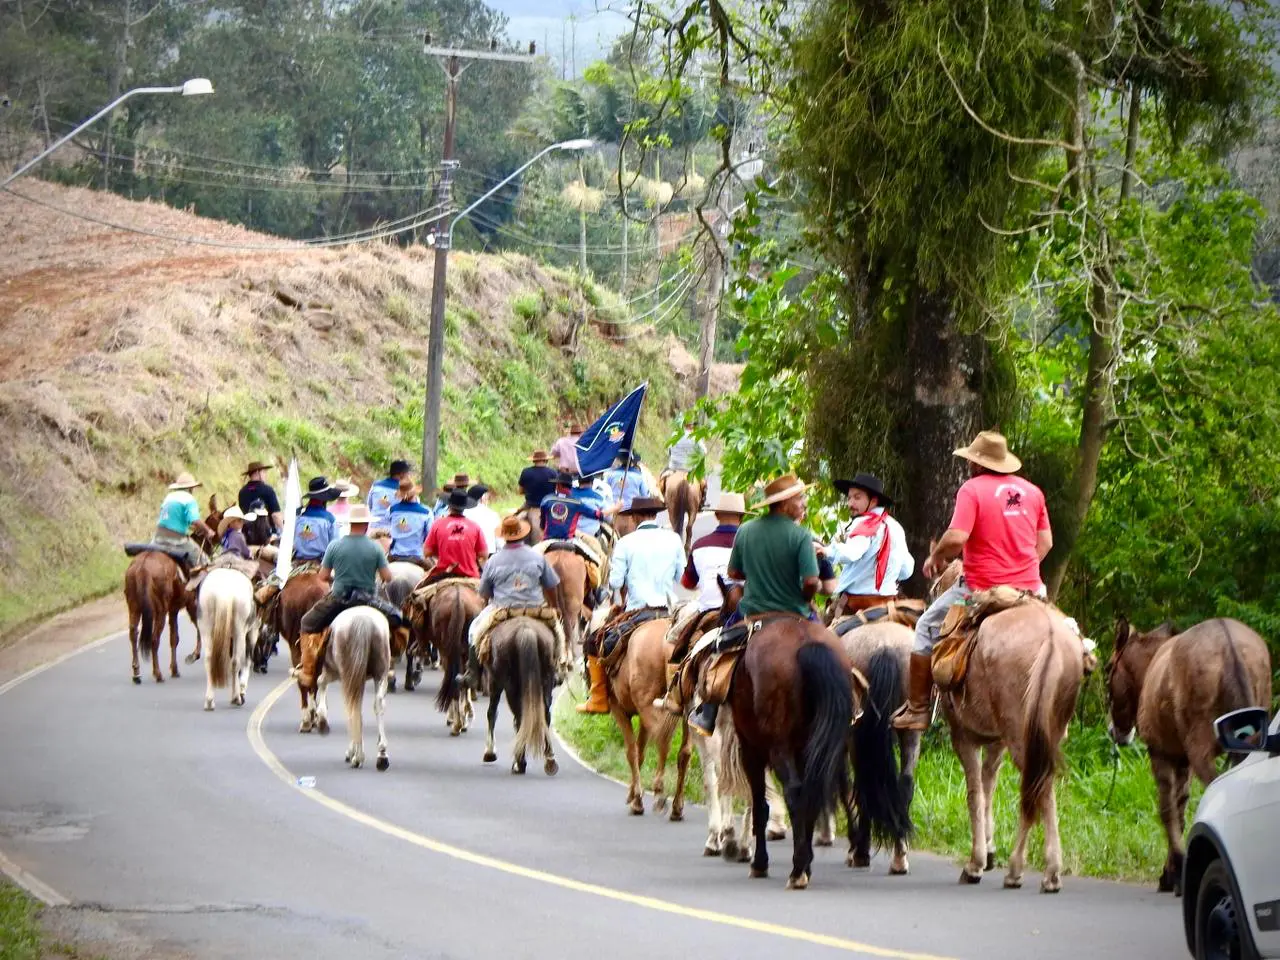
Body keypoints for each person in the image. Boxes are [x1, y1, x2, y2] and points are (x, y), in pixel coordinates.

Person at [893, 430, 1052, 731]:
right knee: (1063, 629)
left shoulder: (972, 489)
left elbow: (956, 538)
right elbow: (1045, 543)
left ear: (977, 464)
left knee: (926, 626)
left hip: (980, 588)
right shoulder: (1033, 492)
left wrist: (935, 556)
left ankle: (918, 708)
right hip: (1030, 588)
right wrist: (1019, 567)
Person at [687, 475, 819, 735]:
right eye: (799, 498)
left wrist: (758, 574)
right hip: (796, 615)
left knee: (722, 646)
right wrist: (804, 596)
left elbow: (734, 573)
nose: (803, 503)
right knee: (831, 644)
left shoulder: (746, 531)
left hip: (753, 615)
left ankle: (708, 711)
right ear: (783, 504)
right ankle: (850, 703)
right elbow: (812, 581)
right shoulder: (802, 536)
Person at [579, 496, 684, 714]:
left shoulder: (626, 542)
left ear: (635, 517)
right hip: (669, 610)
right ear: (655, 515)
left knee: (595, 641)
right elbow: (681, 576)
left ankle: (598, 698)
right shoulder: (673, 539)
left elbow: (616, 582)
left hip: (638, 610)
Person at [295, 503, 406, 685]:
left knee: (306, 622)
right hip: (369, 599)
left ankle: (307, 669)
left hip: (339, 597)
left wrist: (336, 577)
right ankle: (390, 662)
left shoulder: (335, 546)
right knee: (400, 621)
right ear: (366, 525)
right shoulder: (376, 547)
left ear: (350, 524)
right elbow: (388, 577)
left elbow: (323, 576)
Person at [464, 514, 562, 687]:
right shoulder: (537, 557)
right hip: (535, 608)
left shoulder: (493, 560)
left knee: (473, 631)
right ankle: (557, 667)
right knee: (558, 633)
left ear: (503, 536)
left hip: (502, 609)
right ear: (522, 534)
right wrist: (554, 606)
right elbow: (551, 585)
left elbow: (485, 593)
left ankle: (472, 674)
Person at [827, 473, 915, 618]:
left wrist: (826, 551)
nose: (850, 504)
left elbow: (851, 554)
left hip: (855, 603)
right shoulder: (896, 526)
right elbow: (907, 570)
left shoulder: (864, 523)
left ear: (873, 501)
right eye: (849, 498)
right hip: (887, 602)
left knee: (821, 634)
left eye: (857, 497)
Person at [680, 492, 747, 613]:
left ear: (716, 515)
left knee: (676, 630)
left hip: (707, 609)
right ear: (742, 517)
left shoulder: (699, 545)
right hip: (743, 612)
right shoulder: (750, 545)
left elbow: (687, 582)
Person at [153, 471, 215, 572]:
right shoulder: (189, 499)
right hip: (177, 539)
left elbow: (171, 518)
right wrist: (208, 531)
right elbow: (195, 520)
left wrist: (191, 527)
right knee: (205, 562)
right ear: (190, 488)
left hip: (158, 537)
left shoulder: (168, 498)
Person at [423, 486, 489, 578]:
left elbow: (427, 552)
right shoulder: (475, 526)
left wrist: (441, 553)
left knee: (419, 589)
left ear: (449, 505)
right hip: (470, 574)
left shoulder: (437, 524)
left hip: (443, 574)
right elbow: (484, 554)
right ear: (464, 507)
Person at [540, 472, 606, 541]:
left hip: (548, 539)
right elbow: (596, 515)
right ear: (570, 486)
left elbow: (542, 522)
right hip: (569, 540)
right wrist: (602, 515)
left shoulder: (546, 499)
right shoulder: (577, 502)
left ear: (558, 485)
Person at [294, 477, 340, 564]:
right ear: (325, 499)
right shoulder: (330, 520)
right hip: (319, 563)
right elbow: (335, 548)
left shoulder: (299, 518)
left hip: (298, 562)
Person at [387, 478, 433, 564]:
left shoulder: (391, 510)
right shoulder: (427, 512)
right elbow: (429, 537)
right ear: (415, 493)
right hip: (417, 557)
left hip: (394, 555)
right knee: (433, 573)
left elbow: (388, 529)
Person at [660, 414, 705, 496]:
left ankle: (663, 496)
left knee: (662, 477)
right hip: (691, 469)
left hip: (674, 467)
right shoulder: (696, 436)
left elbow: (669, 449)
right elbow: (703, 452)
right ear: (691, 426)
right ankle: (703, 499)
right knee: (703, 483)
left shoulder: (675, 434)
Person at [236, 460, 283, 533]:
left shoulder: (242, 492)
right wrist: (283, 531)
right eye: (264, 472)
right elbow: (275, 515)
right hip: (266, 535)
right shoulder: (267, 490)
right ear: (258, 472)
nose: (266, 474)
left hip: (248, 534)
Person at [367, 459, 411, 532]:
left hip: (373, 528)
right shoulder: (406, 492)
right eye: (408, 474)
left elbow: (369, 506)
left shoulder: (376, 486)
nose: (409, 476)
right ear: (402, 474)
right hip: (392, 531)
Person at [464, 483, 501, 556]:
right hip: (488, 553)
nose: (488, 499)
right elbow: (499, 540)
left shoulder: (463, 513)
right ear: (482, 498)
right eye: (487, 497)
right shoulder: (492, 514)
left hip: (469, 554)